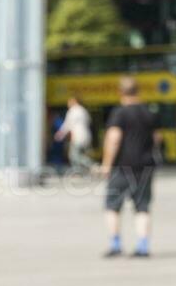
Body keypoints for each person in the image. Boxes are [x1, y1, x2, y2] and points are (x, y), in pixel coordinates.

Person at [99, 77, 160, 258]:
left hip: (122, 166)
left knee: (112, 206)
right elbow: (157, 138)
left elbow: (113, 139)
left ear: (121, 92)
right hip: (146, 165)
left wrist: (106, 165)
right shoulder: (150, 112)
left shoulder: (119, 113)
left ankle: (115, 244)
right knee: (142, 207)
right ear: (138, 91)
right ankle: (143, 246)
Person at [55, 96, 94, 170]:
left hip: (78, 137)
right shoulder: (83, 110)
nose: (68, 104)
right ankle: (81, 171)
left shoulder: (73, 110)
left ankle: (92, 166)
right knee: (82, 154)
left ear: (74, 101)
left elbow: (67, 125)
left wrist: (60, 134)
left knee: (74, 156)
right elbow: (89, 122)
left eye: (69, 102)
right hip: (87, 136)